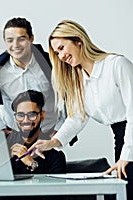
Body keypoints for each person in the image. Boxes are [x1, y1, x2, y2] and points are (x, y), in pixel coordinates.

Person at [28, 19, 133, 200]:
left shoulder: (117, 65)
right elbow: (77, 117)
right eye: (56, 52)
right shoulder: (79, 82)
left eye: (61, 48)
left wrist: (127, 155)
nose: (60, 56)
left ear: (78, 40)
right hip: (121, 138)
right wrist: (52, 142)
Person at [0, 17, 61, 140]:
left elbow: (67, 98)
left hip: (48, 133)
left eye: (21, 39)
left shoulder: (51, 64)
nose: (15, 45)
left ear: (31, 39)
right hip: (15, 135)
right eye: (10, 40)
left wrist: (61, 128)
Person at [8, 90, 66, 175]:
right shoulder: (3, 145)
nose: (25, 120)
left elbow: (55, 187)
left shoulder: (55, 155)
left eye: (31, 115)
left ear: (42, 115)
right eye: (20, 115)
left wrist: (31, 164)